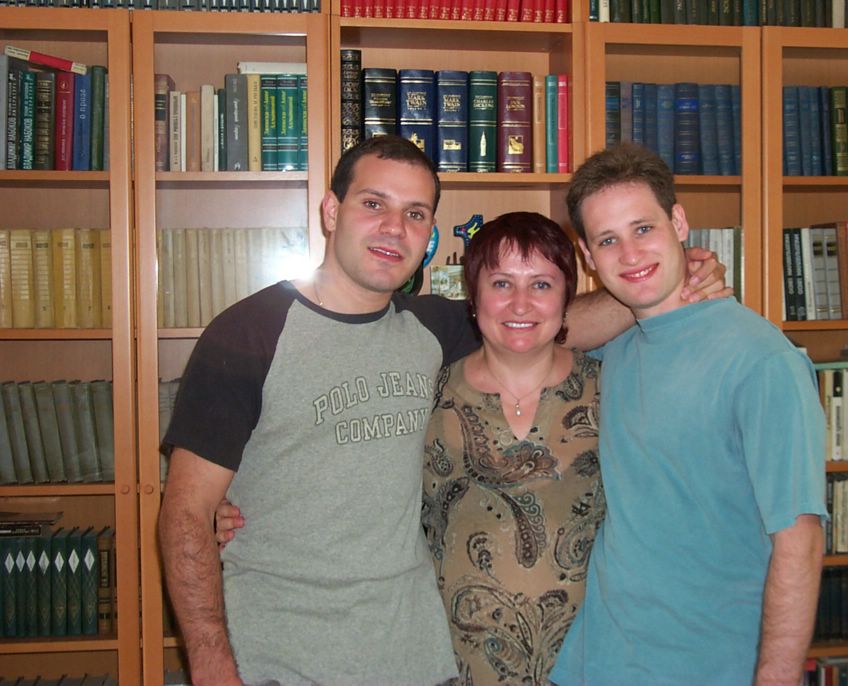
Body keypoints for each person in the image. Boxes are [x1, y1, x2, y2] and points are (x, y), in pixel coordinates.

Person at [160, 135, 726, 686]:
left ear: (430, 231)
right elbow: (186, 513)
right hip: (279, 657)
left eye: (415, 213)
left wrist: (673, 276)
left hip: (414, 656)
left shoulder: (430, 329)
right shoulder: (248, 335)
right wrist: (210, 662)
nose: (393, 227)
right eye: (373, 204)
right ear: (331, 211)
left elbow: (544, 320)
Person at [548, 144, 827, 686]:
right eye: (608, 240)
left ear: (678, 223)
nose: (630, 253)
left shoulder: (762, 361)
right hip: (600, 661)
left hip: (710, 664)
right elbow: (542, 328)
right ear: (587, 256)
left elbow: (800, 542)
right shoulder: (616, 349)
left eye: (643, 228)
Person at [421, 212, 604, 684]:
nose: (520, 303)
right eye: (502, 283)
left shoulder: (611, 390)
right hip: (453, 664)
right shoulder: (427, 395)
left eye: (541, 284)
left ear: (567, 296)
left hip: (591, 662)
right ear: (474, 295)